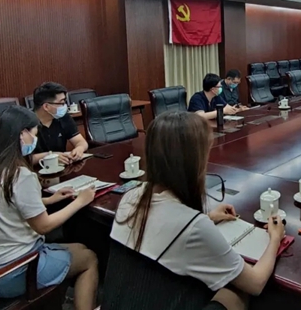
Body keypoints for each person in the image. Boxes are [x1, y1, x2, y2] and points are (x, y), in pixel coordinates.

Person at [111, 112, 285, 308]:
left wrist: (208, 217)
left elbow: (163, 227)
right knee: (235, 290)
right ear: (193, 162)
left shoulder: (130, 197)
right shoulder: (194, 227)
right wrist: (275, 239)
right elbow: (256, 283)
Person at [0, 106, 98, 310]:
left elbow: (7, 206)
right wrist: (80, 201)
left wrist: (50, 200)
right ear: (22, 135)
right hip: (16, 271)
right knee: (89, 259)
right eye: (34, 134)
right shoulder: (20, 176)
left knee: (80, 249)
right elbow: (43, 226)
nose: (35, 140)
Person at [31, 82, 88, 166]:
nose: (65, 106)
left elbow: (80, 141)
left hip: (61, 167)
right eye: (62, 103)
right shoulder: (26, 123)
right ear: (46, 106)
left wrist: (79, 149)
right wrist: (49, 156)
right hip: (35, 170)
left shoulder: (64, 117)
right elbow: (20, 160)